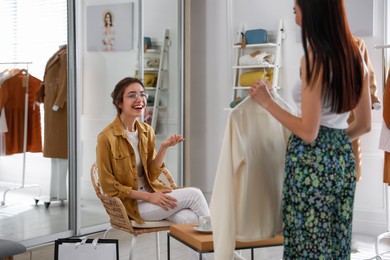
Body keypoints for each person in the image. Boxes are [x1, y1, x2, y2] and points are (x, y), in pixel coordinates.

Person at [248, 0, 371, 259]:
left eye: (296, 10)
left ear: (313, 11)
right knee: (336, 240)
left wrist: (267, 102)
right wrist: (333, 145)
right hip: (342, 161)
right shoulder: (356, 55)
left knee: (306, 243)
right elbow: (363, 124)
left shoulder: (314, 58)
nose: (294, 16)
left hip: (310, 164)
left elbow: (309, 131)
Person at [96, 77, 209, 229]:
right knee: (194, 194)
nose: (140, 99)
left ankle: (209, 252)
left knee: (188, 219)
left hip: (154, 194)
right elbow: (109, 187)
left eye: (142, 94)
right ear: (119, 103)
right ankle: (221, 247)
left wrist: (163, 148)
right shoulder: (106, 138)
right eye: (132, 95)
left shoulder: (146, 131)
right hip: (133, 205)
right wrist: (149, 197)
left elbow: (152, 175)